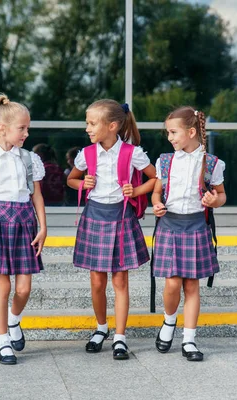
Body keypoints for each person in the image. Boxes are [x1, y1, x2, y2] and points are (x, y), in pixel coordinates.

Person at [66, 99, 156, 360]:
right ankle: (101, 328)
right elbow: (71, 179)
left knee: (119, 281)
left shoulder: (132, 153)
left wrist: (137, 190)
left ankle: (120, 337)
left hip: (121, 217)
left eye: (92, 123)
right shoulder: (86, 154)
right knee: (97, 281)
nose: (88, 128)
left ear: (113, 126)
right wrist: (83, 183)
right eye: (87, 123)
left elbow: (156, 177)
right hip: (94, 216)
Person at [0, 94, 47, 365]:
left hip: (25, 223)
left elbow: (37, 196)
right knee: (3, 286)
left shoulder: (29, 159)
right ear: (2, 128)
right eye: (22, 128)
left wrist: (43, 227)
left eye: (28, 128)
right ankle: (2, 340)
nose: (26, 133)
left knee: (24, 288)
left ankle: (14, 320)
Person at [151, 106, 226, 362]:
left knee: (192, 285)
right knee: (172, 283)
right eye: (168, 133)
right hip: (170, 226)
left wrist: (213, 200)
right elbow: (156, 191)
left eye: (173, 132)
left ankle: (189, 339)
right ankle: (169, 322)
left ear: (191, 131)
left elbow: (222, 195)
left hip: (196, 226)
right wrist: (157, 204)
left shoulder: (212, 163)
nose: (169, 137)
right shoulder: (165, 161)